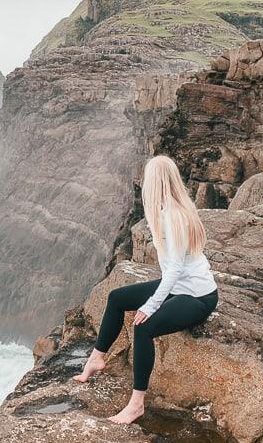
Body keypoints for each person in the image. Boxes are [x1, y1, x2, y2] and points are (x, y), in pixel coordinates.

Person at [73, 154, 219, 424]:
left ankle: (136, 404)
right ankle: (96, 358)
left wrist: (151, 305)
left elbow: (174, 269)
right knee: (117, 298)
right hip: (180, 287)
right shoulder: (167, 210)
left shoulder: (173, 216)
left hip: (198, 296)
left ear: (155, 183)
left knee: (143, 325)